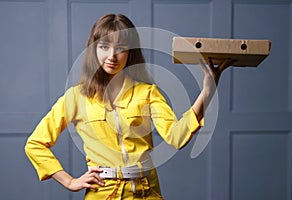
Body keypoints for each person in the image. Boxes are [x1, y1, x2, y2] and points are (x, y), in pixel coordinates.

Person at [25, 13, 234, 199]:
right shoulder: (75, 97)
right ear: (93, 49)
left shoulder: (147, 92)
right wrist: (70, 182)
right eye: (104, 47)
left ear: (131, 52)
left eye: (121, 48)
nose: (112, 56)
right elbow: (35, 144)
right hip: (103, 193)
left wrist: (207, 92)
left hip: (146, 191)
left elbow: (177, 138)